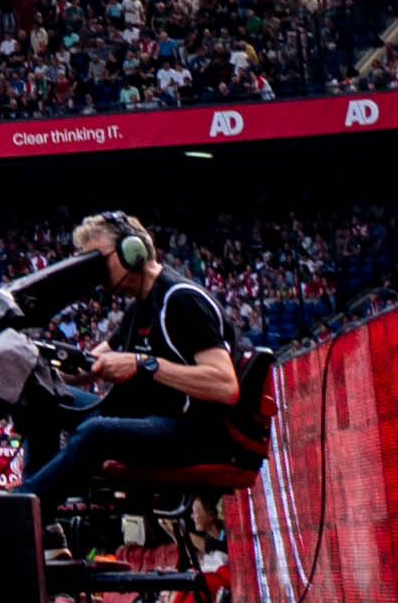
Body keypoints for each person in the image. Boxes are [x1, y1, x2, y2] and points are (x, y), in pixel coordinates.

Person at [17, 213, 240, 504]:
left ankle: (20, 509)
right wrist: (41, 364)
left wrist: (142, 364)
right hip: (148, 419)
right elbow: (89, 366)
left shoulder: (181, 299)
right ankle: (41, 525)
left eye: (98, 261)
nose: (93, 273)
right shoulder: (138, 308)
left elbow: (225, 385)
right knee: (42, 393)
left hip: (191, 433)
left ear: (132, 251)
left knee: (96, 432)